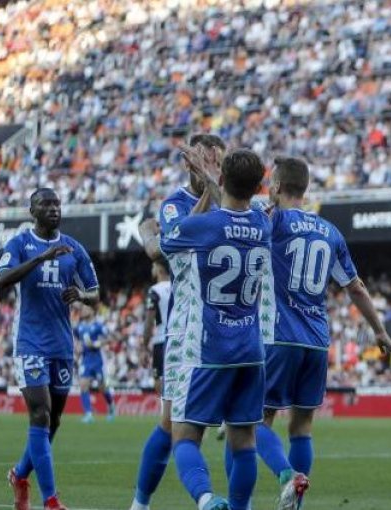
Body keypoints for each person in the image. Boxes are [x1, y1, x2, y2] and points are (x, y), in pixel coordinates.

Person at [256, 157, 391, 510]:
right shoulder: (330, 231)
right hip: (317, 341)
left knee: (257, 421)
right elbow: (356, 288)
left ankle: (287, 476)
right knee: (302, 427)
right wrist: (379, 330)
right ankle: (295, 504)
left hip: (279, 336)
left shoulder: (273, 220)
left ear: (275, 187)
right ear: (306, 189)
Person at [162, 148, 271, 510]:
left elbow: (169, 243)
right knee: (244, 443)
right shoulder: (262, 223)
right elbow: (236, 206)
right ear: (258, 187)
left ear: (222, 180)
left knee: (185, 437)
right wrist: (216, 179)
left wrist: (208, 185)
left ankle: (207, 498)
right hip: (251, 351)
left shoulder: (201, 226)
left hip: (209, 349)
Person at [130, 134, 226, 510]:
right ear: (190, 164)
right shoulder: (176, 204)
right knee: (171, 423)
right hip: (189, 328)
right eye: (206, 161)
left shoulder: (234, 199)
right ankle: (141, 503)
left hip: (233, 325)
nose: (213, 168)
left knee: (242, 429)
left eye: (218, 161)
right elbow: (169, 244)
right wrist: (213, 188)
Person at [0, 188, 100, 510]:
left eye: (57, 203)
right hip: (29, 341)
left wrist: (82, 296)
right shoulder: (19, 244)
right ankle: (51, 500)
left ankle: (19, 473)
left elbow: (95, 291)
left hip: (61, 344)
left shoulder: (75, 248)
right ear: (32, 210)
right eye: (46, 204)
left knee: (53, 420)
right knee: (39, 414)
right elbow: (2, 278)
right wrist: (39, 258)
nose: (54, 208)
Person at [74, 305, 115, 423]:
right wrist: (77, 346)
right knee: (83, 384)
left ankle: (111, 406)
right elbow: (76, 338)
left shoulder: (98, 326)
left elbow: (110, 337)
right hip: (86, 359)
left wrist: (97, 343)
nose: (82, 310)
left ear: (92, 311)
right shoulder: (79, 327)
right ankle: (88, 414)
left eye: (85, 308)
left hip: (98, 360)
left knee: (102, 387)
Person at [143, 259, 172, 398]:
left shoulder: (154, 290)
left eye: (154, 266)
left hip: (161, 339)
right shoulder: (177, 286)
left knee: (158, 379)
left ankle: (166, 415)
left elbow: (149, 322)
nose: (152, 268)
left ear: (160, 269)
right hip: (178, 337)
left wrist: (143, 347)